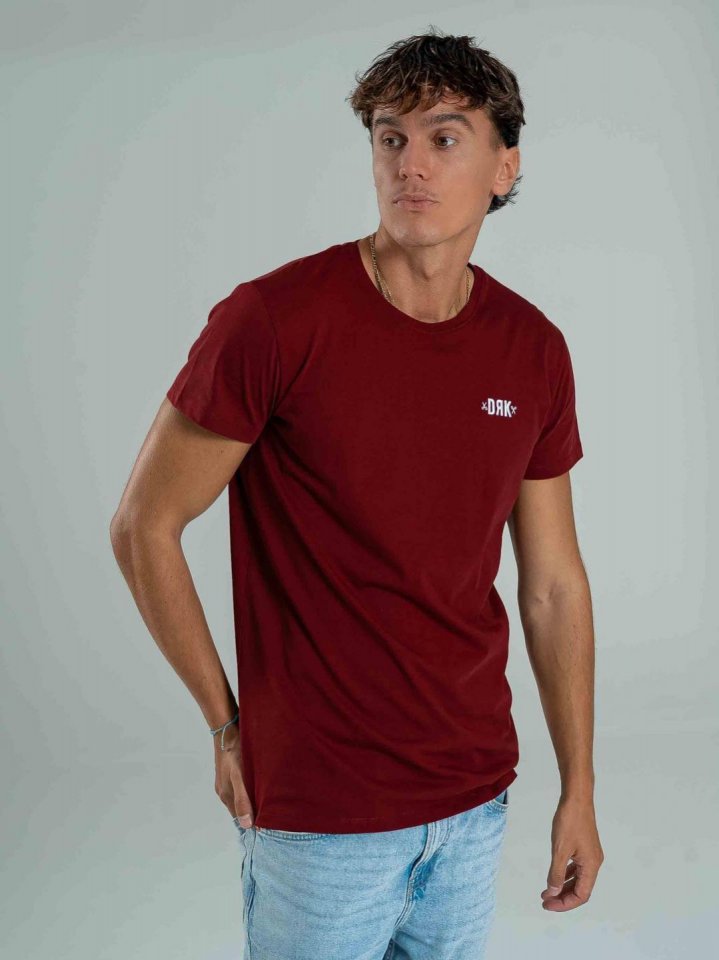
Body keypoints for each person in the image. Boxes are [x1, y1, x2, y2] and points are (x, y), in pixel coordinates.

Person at [110, 27, 604, 960]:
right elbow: (144, 527)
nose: (410, 164)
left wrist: (577, 787)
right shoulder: (273, 321)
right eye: (389, 138)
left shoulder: (532, 348)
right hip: (322, 816)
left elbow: (551, 584)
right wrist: (225, 725)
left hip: (473, 799)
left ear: (504, 167)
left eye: (444, 138)